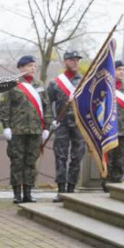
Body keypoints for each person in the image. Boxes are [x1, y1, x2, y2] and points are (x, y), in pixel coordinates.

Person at [0, 55, 51, 203]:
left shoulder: (39, 85)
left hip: (35, 130)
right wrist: (6, 126)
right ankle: (17, 193)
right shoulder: (12, 84)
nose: (33, 69)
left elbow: (46, 106)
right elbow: (5, 108)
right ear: (21, 67)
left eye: (34, 66)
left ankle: (28, 192)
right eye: (29, 66)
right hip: (17, 130)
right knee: (17, 162)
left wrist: (46, 126)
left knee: (31, 162)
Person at [46, 50, 86, 200]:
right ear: (65, 62)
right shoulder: (55, 83)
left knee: (77, 156)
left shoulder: (84, 82)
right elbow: (47, 103)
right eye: (72, 60)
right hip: (61, 124)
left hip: (78, 124)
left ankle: (71, 188)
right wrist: (51, 120)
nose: (75, 62)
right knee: (61, 157)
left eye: (77, 60)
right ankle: (61, 190)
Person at [106, 60, 124, 185]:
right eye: (119, 69)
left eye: (123, 70)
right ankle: (106, 184)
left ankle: (116, 184)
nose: (121, 72)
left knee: (120, 160)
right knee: (109, 160)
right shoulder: (106, 89)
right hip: (109, 131)